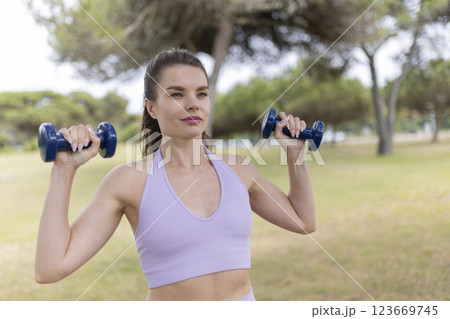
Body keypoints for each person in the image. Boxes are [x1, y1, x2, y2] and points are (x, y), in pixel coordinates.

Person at [35, 48, 316, 301]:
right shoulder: (129, 181)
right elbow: (51, 268)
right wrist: (64, 169)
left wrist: (295, 153)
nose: (193, 104)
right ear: (151, 107)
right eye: (177, 94)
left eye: (202, 93)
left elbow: (303, 221)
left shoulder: (239, 170)